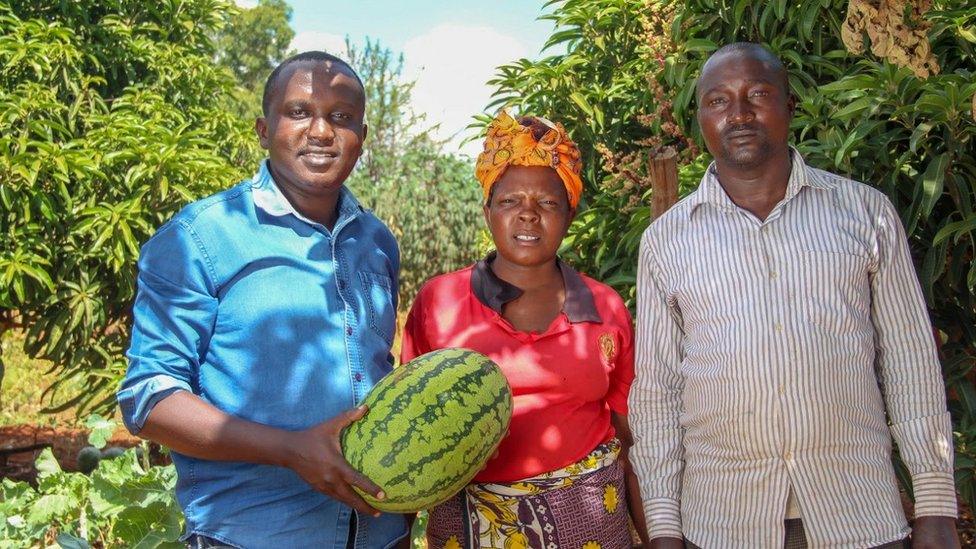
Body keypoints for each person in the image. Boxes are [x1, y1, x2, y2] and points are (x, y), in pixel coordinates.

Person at [629, 42, 959, 548]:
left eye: (758, 94)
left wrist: (936, 506)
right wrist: (664, 525)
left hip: (858, 515)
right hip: (721, 523)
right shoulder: (666, 241)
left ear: (789, 105)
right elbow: (658, 392)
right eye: (718, 100)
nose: (738, 113)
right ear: (700, 118)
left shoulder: (864, 214)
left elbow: (910, 358)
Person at [117, 51, 410, 548]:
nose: (321, 131)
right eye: (299, 112)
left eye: (341, 117)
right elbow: (149, 398)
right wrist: (291, 449)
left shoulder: (376, 241)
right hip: (251, 534)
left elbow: (377, 370)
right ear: (263, 127)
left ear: (362, 138)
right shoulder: (200, 238)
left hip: (380, 534)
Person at [401, 110, 650, 549]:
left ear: (569, 213)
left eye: (548, 203)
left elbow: (632, 439)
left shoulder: (604, 308)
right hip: (468, 527)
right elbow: (410, 431)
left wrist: (653, 537)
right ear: (488, 212)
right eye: (510, 201)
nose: (529, 215)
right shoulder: (438, 302)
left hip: (591, 525)